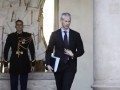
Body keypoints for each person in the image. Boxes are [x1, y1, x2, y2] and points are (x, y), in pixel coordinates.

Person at [45, 12, 84, 90]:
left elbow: (81, 50)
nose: (67, 23)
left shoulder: (76, 35)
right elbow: (49, 50)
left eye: (69, 21)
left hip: (70, 67)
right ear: (61, 21)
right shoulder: (55, 34)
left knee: (66, 88)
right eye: (66, 21)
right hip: (58, 67)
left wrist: (73, 54)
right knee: (59, 88)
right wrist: (48, 64)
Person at [3, 20, 35, 90]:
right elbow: (6, 50)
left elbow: (32, 50)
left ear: (23, 26)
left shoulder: (28, 36)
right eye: (17, 24)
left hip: (24, 62)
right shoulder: (11, 36)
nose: (19, 26)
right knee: (13, 85)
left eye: (20, 25)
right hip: (14, 62)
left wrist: (33, 64)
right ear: (15, 26)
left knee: (24, 85)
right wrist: (5, 64)